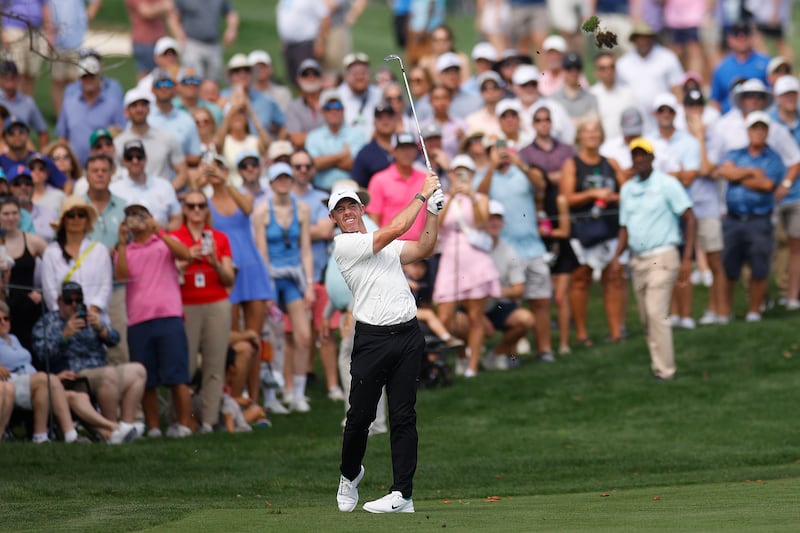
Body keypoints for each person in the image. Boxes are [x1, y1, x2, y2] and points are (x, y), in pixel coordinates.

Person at [333, 169, 444, 514]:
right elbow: (394, 229)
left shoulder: (388, 247)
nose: (348, 212)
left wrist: (433, 214)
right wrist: (422, 195)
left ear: (362, 208)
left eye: (352, 205)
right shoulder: (345, 245)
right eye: (340, 210)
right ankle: (350, 474)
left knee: (403, 415)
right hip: (372, 340)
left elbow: (425, 247)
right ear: (334, 219)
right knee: (359, 418)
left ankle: (403, 495)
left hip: (408, 335)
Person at [610, 138, 696, 381]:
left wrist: (687, 257)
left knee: (656, 312)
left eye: (643, 155)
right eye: (635, 155)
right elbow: (625, 227)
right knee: (646, 317)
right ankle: (658, 365)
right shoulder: (627, 189)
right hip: (638, 259)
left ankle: (665, 370)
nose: (639, 160)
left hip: (663, 255)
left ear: (651, 158)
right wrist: (617, 257)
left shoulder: (667, 184)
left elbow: (689, 217)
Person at [115, 202, 194, 437]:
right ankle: (154, 427)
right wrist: (121, 242)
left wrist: (160, 231)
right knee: (147, 380)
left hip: (169, 316)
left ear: (149, 217)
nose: (135, 220)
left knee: (177, 376)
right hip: (139, 321)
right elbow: (121, 276)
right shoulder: (125, 250)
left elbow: (186, 254)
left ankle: (183, 424)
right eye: (130, 216)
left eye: (140, 215)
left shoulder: (163, 243)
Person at [31, 281, 146, 433]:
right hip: (74, 373)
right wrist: (64, 335)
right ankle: (111, 429)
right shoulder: (47, 322)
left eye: (78, 300)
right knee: (108, 374)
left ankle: (127, 425)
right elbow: (42, 354)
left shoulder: (89, 317)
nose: (74, 305)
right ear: (59, 302)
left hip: (100, 367)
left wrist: (101, 328)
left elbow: (115, 339)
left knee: (138, 370)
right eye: (68, 301)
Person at [205, 154, 275, 401]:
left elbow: (247, 209)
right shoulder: (206, 204)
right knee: (235, 338)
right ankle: (235, 396)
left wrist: (225, 180)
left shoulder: (242, 195)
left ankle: (255, 399)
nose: (216, 171)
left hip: (252, 269)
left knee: (255, 338)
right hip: (229, 273)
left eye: (220, 166)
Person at [478, 136, 553, 362]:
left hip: (533, 247)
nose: (501, 153)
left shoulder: (522, 171)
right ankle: (511, 352)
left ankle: (545, 349)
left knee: (541, 302)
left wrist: (520, 164)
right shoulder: (486, 175)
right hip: (507, 250)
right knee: (513, 306)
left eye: (503, 148)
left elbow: (541, 185)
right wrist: (491, 166)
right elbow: (480, 194)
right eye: (495, 150)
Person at [170, 190, 236, 432]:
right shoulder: (175, 237)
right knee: (183, 366)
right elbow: (169, 274)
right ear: (184, 209)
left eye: (201, 205)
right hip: (186, 303)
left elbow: (229, 278)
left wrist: (215, 262)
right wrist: (188, 258)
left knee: (215, 363)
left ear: (207, 209)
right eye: (191, 205)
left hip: (216, 300)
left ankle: (208, 420)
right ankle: (180, 420)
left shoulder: (219, 237)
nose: (196, 210)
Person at [713, 112, 786, 322]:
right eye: (755, 128)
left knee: (759, 266)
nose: (759, 132)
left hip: (759, 220)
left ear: (768, 131)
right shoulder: (735, 153)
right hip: (733, 219)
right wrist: (753, 172)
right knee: (728, 267)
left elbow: (767, 185)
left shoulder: (773, 158)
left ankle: (755, 311)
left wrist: (739, 176)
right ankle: (725, 312)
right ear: (748, 131)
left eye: (763, 128)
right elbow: (725, 172)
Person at [254, 163, 314, 412]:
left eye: (286, 178)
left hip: (293, 278)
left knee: (303, 335)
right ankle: (270, 396)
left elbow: (306, 250)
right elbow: (261, 252)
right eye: (278, 178)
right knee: (271, 337)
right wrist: (266, 291)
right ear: (270, 182)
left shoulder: (302, 209)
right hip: (271, 277)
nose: (283, 182)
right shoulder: (261, 212)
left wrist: (309, 284)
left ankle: (297, 393)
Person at [560, 119, 626, 346]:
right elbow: (566, 198)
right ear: (579, 136)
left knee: (614, 277)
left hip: (609, 227)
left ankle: (616, 331)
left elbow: (626, 191)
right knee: (581, 278)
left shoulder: (612, 163)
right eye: (587, 132)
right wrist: (591, 194)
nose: (592, 135)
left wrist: (612, 196)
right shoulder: (572, 164)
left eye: (596, 131)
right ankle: (581, 333)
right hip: (583, 230)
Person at [433, 155, 499, 377]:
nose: (460, 176)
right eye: (456, 172)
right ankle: (461, 354)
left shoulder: (481, 198)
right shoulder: (443, 198)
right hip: (450, 258)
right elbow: (438, 224)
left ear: (471, 175)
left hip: (475, 258)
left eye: (465, 172)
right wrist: (452, 197)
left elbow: (481, 223)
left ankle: (472, 365)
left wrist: (471, 196)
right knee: (446, 316)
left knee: (475, 316)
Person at [478, 199, 537, 369]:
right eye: (490, 218)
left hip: (498, 306)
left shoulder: (509, 251)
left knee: (525, 319)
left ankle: (497, 354)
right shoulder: (472, 248)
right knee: (459, 322)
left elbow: (519, 288)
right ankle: (464, 358)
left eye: (498, 218)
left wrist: (497, 291)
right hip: (473, 308)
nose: (494, 222)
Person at [41, 197, 112, 317]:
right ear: (64, 220)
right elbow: (50, 292)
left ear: (87, 220)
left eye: (81, 215)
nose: (76, 219)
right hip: (63, 322)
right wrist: (66, 315)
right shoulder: (51, 252)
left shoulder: (100, 250)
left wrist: (93, 310)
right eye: (71, 215)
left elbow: (106, 286)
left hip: (96, 319)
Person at [55, 55, 127, 165]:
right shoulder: (69, 104)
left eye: (92, 76)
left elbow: (123, 132)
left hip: (104, 166)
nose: (89, 80)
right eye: (85, 77)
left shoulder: (113, 103)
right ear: (80, 79)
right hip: (76, 167)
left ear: (99, 77)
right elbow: (62, 137)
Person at [115, 88, 189, 191]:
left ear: (149, 109)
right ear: (126, 112)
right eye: (134, 106)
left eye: (143, 105)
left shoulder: (167, 137)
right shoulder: (118, 143)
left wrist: (166, 193)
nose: (139, 109)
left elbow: (182, 173)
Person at [1, 196, 47, 352]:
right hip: (4, 308)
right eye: (6, 214)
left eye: (14, 213)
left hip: (29, 306)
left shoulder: (33, 241)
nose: (11, 218)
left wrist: (43, 293)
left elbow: (55, 266)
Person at [366, 133, 428, 240]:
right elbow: (373, 219)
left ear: (416, 152)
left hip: (420, 248)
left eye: (410, 148)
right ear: (394, 152)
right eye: (402, 149)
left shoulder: (425, 179)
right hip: (390, 247)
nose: (406, 153)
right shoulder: (379, 180)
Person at [111, 140, 182, 230]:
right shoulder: (114, 189)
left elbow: (177, 219)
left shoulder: (164, 186)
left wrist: (163, 229)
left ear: (146, 159)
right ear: (123, 161)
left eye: (139, 157)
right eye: (129, 157)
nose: (135, 161)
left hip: (160, 240)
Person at [305, 90, 366, 192]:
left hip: (351, 191)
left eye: (337, 106)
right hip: (321, 190)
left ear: (343, 109)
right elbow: (314, 164)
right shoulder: (313, 136)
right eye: (328, 107)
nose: (333, 110)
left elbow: (354, 165)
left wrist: (325, 161)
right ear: (322, 111)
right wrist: (342, 155)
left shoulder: (358, 134)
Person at [168, 0, 239, 82]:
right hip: (193, 44)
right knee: (194, 80)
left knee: (213, 81)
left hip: (213, 45)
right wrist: (179, 35)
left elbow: (231, 14)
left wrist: (232, 29)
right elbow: (173, 17)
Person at [0, 117, 67, 190]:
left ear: (28, 134)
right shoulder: (1, 162)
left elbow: (66, 183)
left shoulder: (41, 160)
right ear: (4, 137)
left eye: (21, 130)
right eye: (11, 131)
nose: (17, 134)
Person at [590, 51, 642, 141]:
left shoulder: (629, 94)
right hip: (601, 149)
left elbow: (639, 122)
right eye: (603, 68)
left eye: (611, 67)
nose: (608, 71)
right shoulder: (591, 95)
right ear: (596, 72)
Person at [0, 61, 49, 147]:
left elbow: (43, 132)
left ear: (18, 78)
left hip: (23, 150)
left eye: (13, 76)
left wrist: (41, 156)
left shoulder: (28, 102)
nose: (9, 78)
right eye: (5, 75)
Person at [351, 102, 397, 188]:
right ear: (374, 122)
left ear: (395, 121)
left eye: (389, 117)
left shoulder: (406, 147)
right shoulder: (365, 153)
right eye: (381, 118)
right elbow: (359, 185)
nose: (385, 121)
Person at [285, 58, 325, 149]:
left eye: (315, 73)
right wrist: (328, 134)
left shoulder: (331, 100)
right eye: (305, 74)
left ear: (321, 77)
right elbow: (296, 139)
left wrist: (306, 136)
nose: (310, 77)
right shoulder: (293, 107)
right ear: (298, 79)